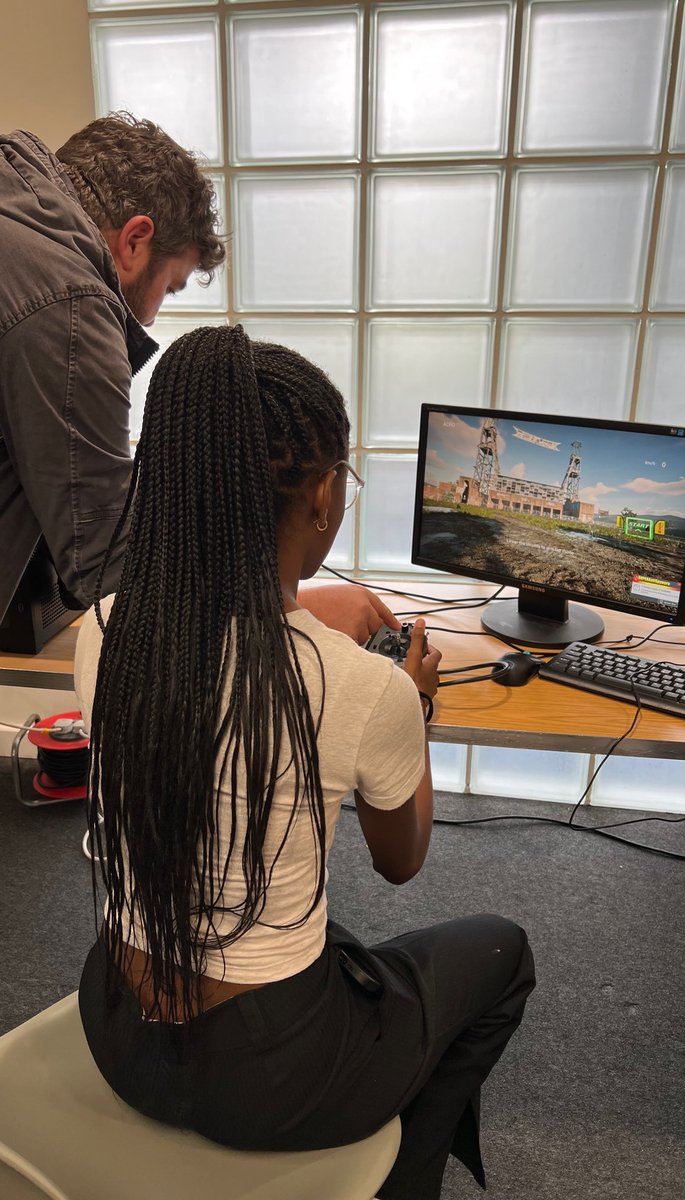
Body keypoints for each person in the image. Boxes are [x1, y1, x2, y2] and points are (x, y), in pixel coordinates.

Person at [0, 113, 393, 1199]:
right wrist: (327, 615)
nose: (146, 323)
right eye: (168, 291)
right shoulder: (62, 301)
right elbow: (120, 572)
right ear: (135, 238)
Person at [73, 325, 535, 1200]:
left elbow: (222, 636)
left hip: (119, 1033)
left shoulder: (104, 633)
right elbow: (402, 864)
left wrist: (321, 606)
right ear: (323, 495)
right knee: (504, 953)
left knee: (332, 937)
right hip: (269, 1078)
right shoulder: (364, 691)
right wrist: (414, 706)